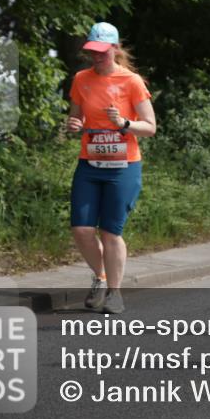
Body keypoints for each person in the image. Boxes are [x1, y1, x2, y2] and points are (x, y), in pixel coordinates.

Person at [66, 22, 156, 314]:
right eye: (93, 51)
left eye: (103, 51)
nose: (97, 57)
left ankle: (115, 292)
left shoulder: (131, 81)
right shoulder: (81, 79)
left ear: (115, 49)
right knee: (81, 229)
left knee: (109, 231)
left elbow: (150, 127)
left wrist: (124, 124)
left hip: (123, 167)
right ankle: (100, 278)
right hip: (90, 163)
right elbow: (76, 120)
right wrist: (74, 126)